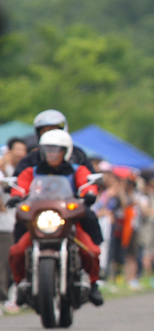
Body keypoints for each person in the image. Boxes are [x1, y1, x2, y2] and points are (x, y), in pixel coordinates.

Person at [6, 130, 104, 306]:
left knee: (91, 250)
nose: (52, 154)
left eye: (56, 150)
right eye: (48, 150)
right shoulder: (32, 171)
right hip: (39, 221)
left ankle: (93, 283)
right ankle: (21, 283)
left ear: (65, 151)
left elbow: (86, 184)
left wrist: (89, 193)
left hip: (68, 221)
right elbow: (21, 186)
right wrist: (16, 196)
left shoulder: (77, 170)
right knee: (17, 251)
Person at [0, 137, 28, 313]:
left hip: (16, 222)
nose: (20, 153)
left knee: (12, 261)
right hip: (4, 224)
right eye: (17, 149)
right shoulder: (3, 168)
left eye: (23, 150)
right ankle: (3, 298)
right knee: (3, 262)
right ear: (9, 150)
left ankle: (11, 296)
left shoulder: (22, 171)